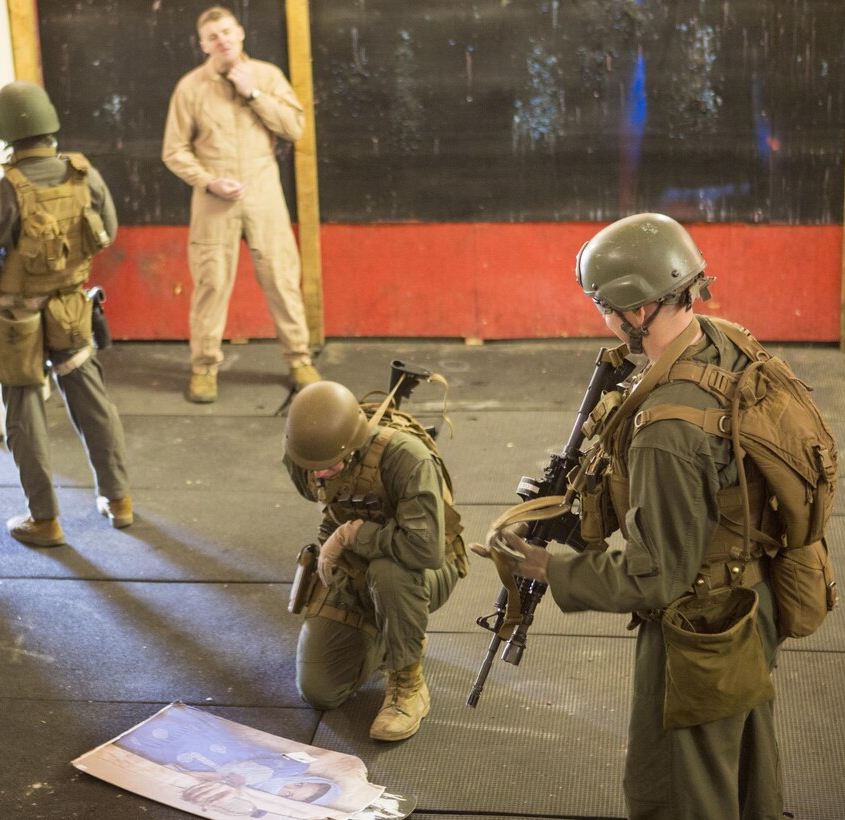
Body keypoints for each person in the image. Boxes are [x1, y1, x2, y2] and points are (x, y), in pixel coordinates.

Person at [497, 213, 784, 818]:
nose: (602, 316)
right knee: (741, 776)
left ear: (634, 309)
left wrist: (554, 568)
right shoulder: (721, 340)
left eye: (604, 303)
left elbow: (660, 574)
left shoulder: (669, 427)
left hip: (699, 634)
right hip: (748, 602)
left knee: (679, 795)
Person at [0, 81, 132, 548]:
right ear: (49, 122)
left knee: (24, 415)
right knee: (93, 403)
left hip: (16, 323)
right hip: (72, 311)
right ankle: (118, 501)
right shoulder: (85, 176)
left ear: (5, 132)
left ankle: (45, 519)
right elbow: (108, 232)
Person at [282, 381, 467, 741]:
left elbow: (425, 551)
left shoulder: (407, 459)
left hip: (422, 571)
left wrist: (351, 535)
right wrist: (329, 551)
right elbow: (329, 504)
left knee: (389, 573)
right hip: (356, 568)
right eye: (311, 467)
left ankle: (408, 685)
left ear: (351, 448)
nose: (317, 474)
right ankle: (393, 632)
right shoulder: (305, 455)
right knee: (320, 692)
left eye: (329, 467)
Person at [162, 5, 321, 403]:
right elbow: (174, 151)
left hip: (263, 193)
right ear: (202, 44)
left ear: (241, 34)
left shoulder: (266, 76)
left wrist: (253, 92)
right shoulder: (190, 87)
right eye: (213, 36)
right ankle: (204, 367)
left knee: (282, 278)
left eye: (228, 32)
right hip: (214, 198)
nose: (223, 40)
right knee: (211, 283)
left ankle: (300, 361)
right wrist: (209, 180)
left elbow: (295, 128)